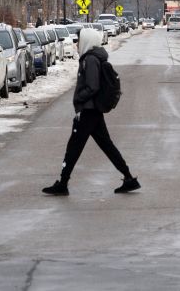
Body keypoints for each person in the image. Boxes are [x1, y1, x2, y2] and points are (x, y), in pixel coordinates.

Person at [42, 27, 139, 196]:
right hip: (93, 112)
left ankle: (63, 184)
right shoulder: (93, 58)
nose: (77, 43)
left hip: (88, 111)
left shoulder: (91, 60)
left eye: (79, 40)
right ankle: (129, 178)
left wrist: (79, 97)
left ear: (86, 41)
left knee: (73, 148)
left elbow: (93, 86)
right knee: (106, 146)